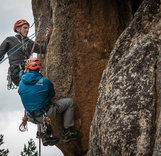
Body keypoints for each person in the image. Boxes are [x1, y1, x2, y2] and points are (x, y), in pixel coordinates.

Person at [18, 57, 79, 146]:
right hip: (44, 115)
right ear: (39, 68)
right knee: (69, 102)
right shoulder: (45, 81)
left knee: (37, 105)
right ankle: (67, 131)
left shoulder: (21, 83)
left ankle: (43, 134)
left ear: (27, 69)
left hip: (30, 117)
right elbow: (52, 94)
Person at [0, 19, 51, 88]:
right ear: (18, 29)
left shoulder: (29, 42)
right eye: (25, 28)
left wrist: (48, 37)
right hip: (16, 71)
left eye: (28, 28)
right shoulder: (9, 40)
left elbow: (44, 49)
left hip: (28, 69)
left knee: (41, 82)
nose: (27, 30)